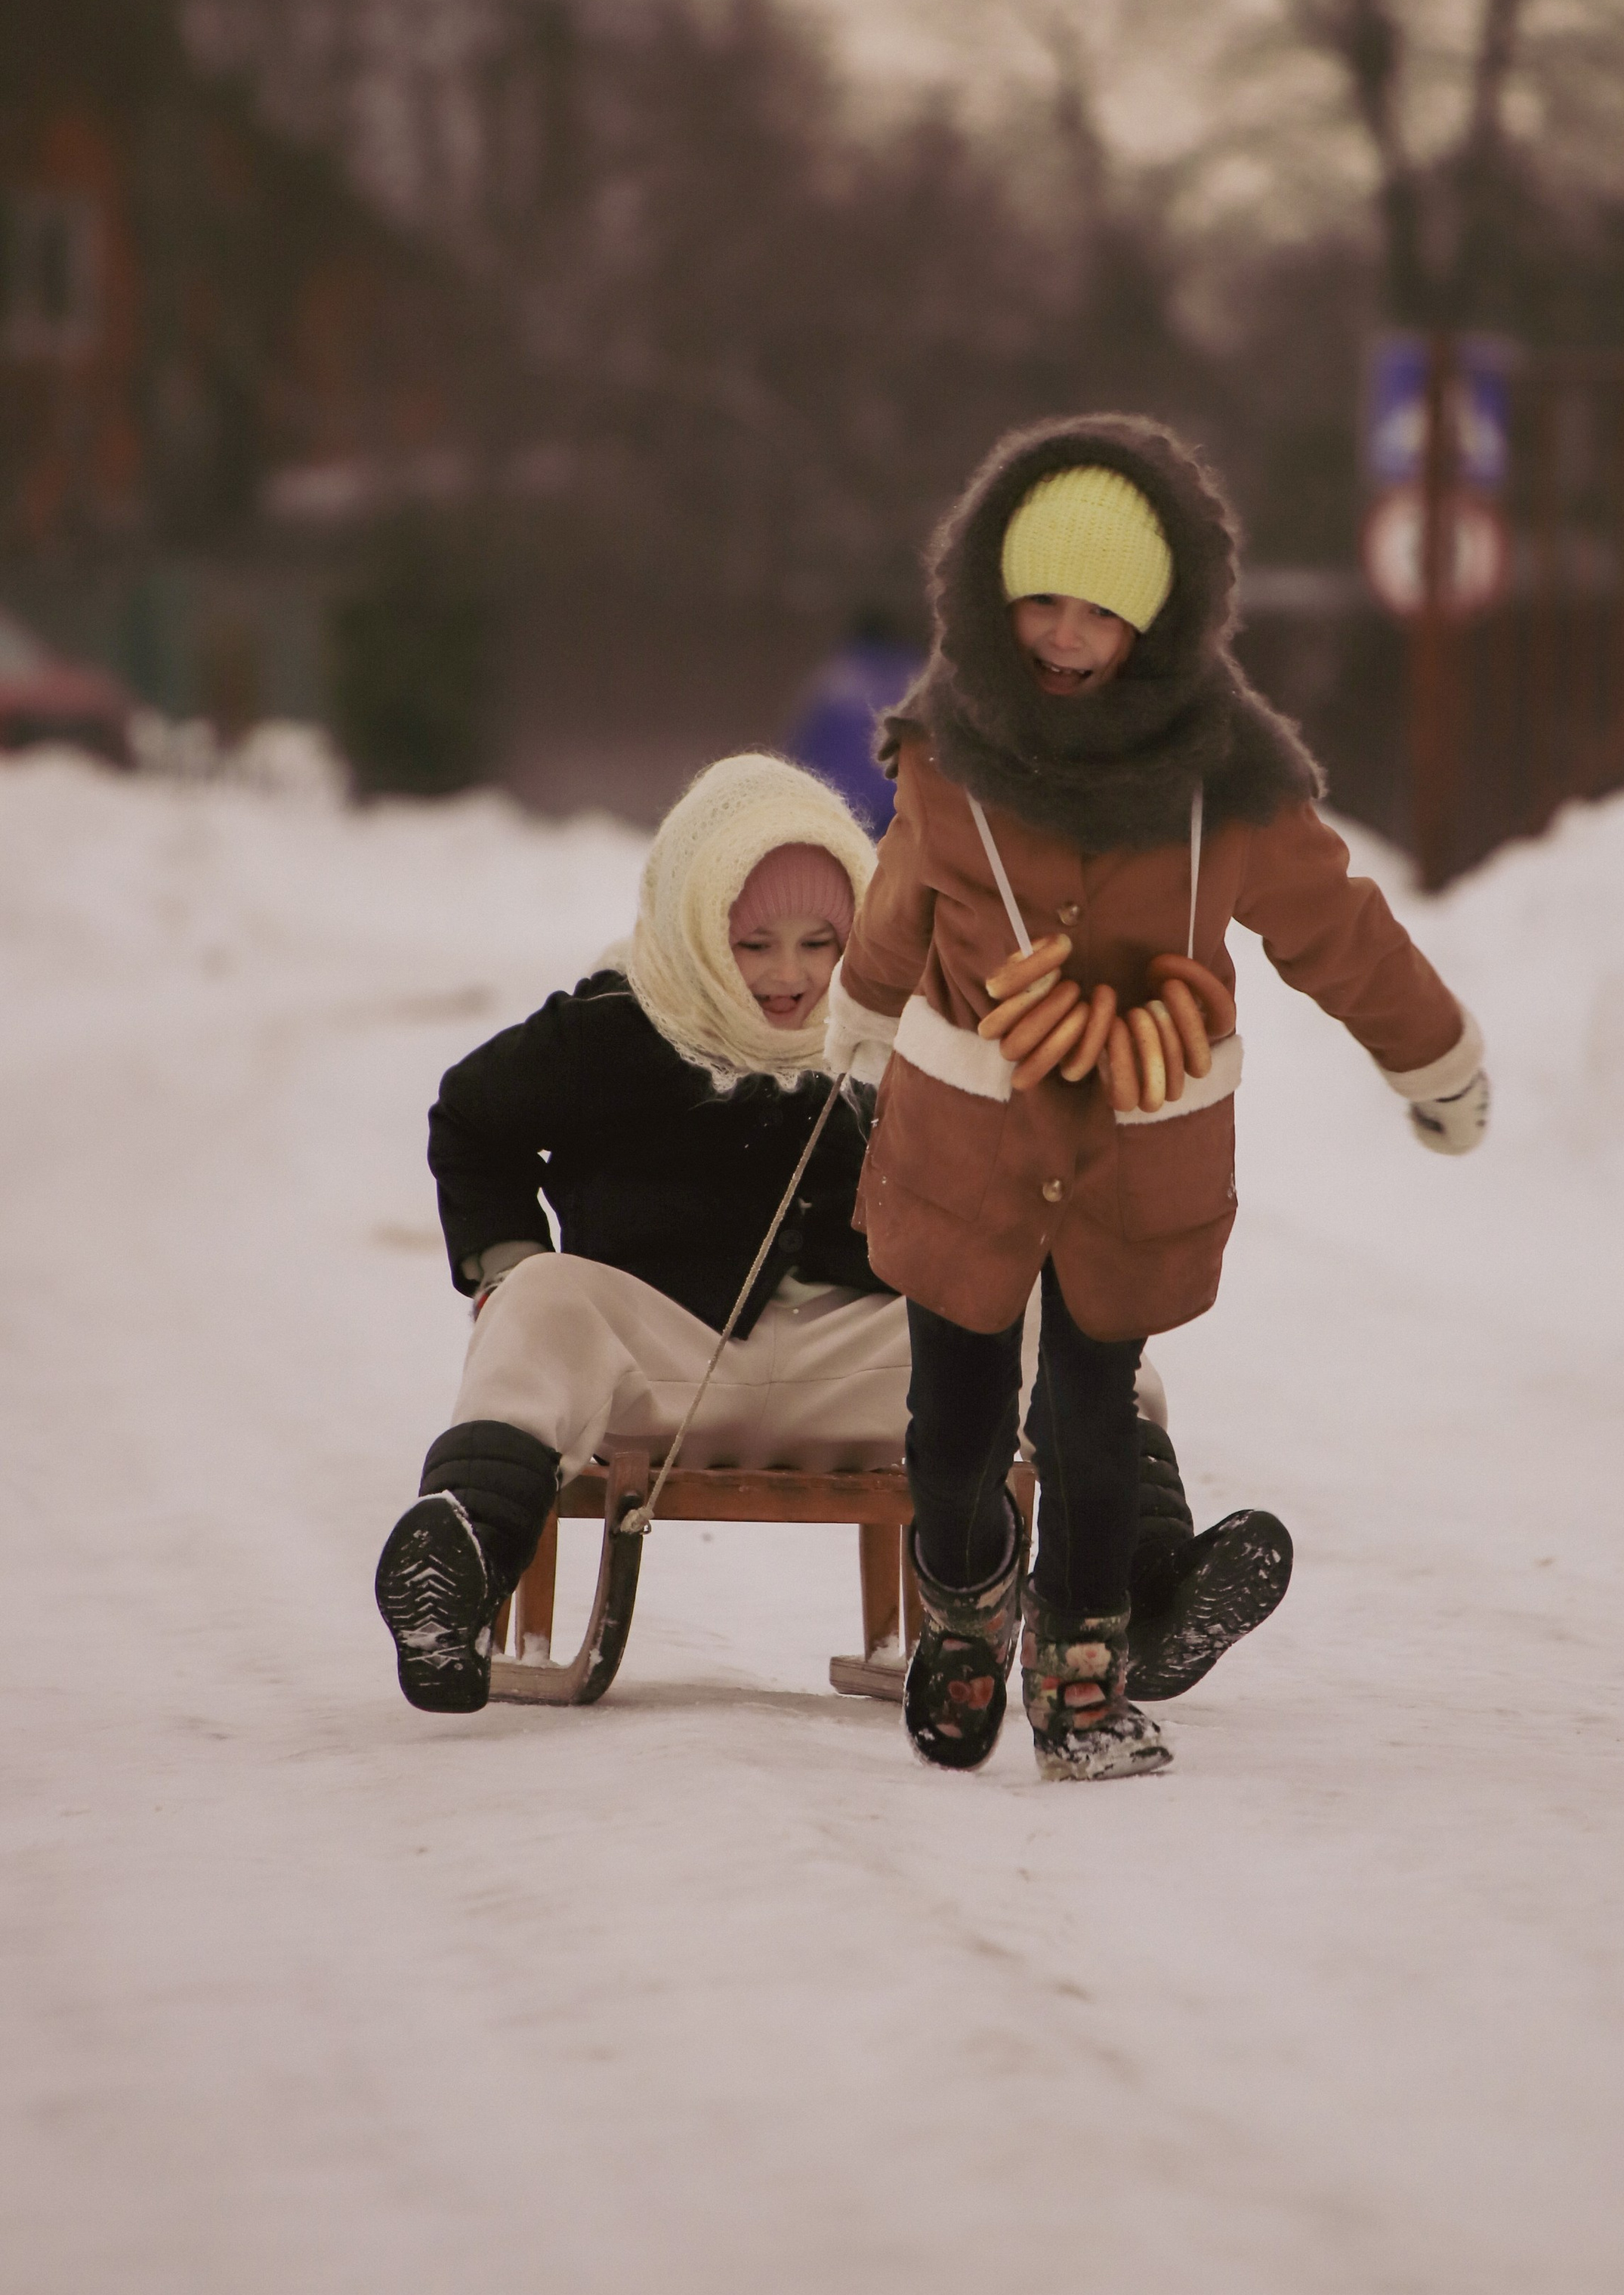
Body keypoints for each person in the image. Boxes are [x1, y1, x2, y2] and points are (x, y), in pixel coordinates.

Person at [823, 418, 1488, 1785]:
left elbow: (1334, 927)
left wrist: (1432, 1055)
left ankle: (1083, 1659)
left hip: (1130, 1156)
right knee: (952, 1422)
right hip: (965, 1147)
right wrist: (859, 1026)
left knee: (1092, 1416)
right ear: (994, 600)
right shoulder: (945, 758)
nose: (1068, 635)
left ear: (1159, 622)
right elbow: (898, 911)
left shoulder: (1223, 780)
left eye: (1104, 611)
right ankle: (965, 1601)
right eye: (1043, 602)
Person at [370, 749, 1227, 1716]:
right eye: (754, 944)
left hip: (861, 1367)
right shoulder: (616, 1025)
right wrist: (506, 1260)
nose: (791, 975)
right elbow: (471, 1116)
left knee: (1053, 1320)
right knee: (541, 1302)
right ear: (698, 930)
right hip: (661, 1361)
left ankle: (1149, 1589)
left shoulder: (905, 1030)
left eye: (822, 942)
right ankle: (458, 1573)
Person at [783, 608, 925, 838]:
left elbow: (802, 751)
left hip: (840, 807)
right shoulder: (913, 677)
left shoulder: (833, 682)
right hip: (898, 808)